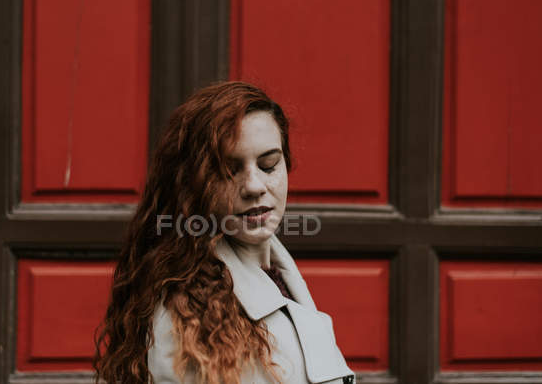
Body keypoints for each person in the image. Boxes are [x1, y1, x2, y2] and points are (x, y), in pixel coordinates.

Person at [94, 81, 355, 384]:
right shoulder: (182, 313)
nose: (255, 186)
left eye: (269, 165)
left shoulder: (281, 276)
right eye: (229, 171)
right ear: (194, 184)